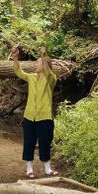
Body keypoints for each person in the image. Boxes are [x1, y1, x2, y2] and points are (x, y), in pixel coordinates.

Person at [12, 45, 58, 178]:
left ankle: (48, 169)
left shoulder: (51, 79)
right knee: (29, 143)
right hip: (29, 117)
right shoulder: (31, 77)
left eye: (37, 63)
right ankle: (29, 169)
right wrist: (15, 58)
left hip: (45, 117)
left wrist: (43, 55)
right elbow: (19, 72)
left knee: (45, 143)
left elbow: (49, 72)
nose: (35, 65)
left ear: (44, 65)